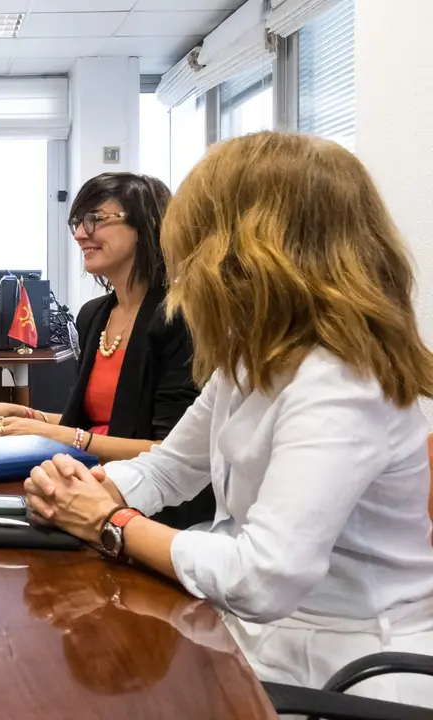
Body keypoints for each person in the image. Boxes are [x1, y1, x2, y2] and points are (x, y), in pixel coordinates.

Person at [25, 132, 433, 708]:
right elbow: (170, 467)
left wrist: (109, 522)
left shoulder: (341, 379)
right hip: (255, 636)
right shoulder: (252, 359)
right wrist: (88, 487)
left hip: (342, 669)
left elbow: (263, 576)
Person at [0, 173, 212, 529]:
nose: (81, 233)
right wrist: (26, 414)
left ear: (143, 227)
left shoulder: (180, 319)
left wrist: (59, 434)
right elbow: (96, 422)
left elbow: (174, 455)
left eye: (95, 220)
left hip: (149, 507)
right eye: (78, 222)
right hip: (87, 481)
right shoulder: (95, 313)